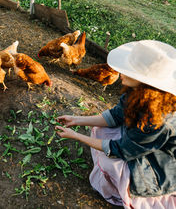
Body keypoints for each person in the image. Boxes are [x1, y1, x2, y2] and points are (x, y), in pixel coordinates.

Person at [55, 40, 176, 208]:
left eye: (128, 70)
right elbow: (116, 115)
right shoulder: (140, 92)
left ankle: (128, 192)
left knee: (110, 162)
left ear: (146, 82)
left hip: (160, 164)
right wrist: (77, 120)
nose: (120, 72)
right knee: (100, 129)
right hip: (141, 144)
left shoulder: (158, 119)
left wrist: (76, 136)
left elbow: (121, 151)